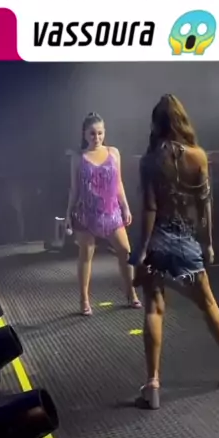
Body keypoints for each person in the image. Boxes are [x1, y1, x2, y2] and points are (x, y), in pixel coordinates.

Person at [129, 94, 219, 410]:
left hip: (158, 240)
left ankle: (153, 383)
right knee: (207, 302)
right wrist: (207, 243)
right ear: (182, 120)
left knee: (154, 309)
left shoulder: (149, 161)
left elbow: (149, 208)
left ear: (156, 124)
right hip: (185, 239)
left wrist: (142, 250)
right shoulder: (198, 157)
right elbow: (205, 205)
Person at [66, 112, 141, 315]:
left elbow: (119, 183)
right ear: (84, 134)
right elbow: (74, 189)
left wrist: (125, 207)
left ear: (104, 132)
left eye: (100, 133)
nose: (96, 137)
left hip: (111, 211)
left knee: (125, 251)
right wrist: (68, 215)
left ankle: (131, 293)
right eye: (92, 133)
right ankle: (84, 300)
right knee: (86, 255)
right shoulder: (78, 158)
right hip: (86, 213)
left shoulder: (113, 153)